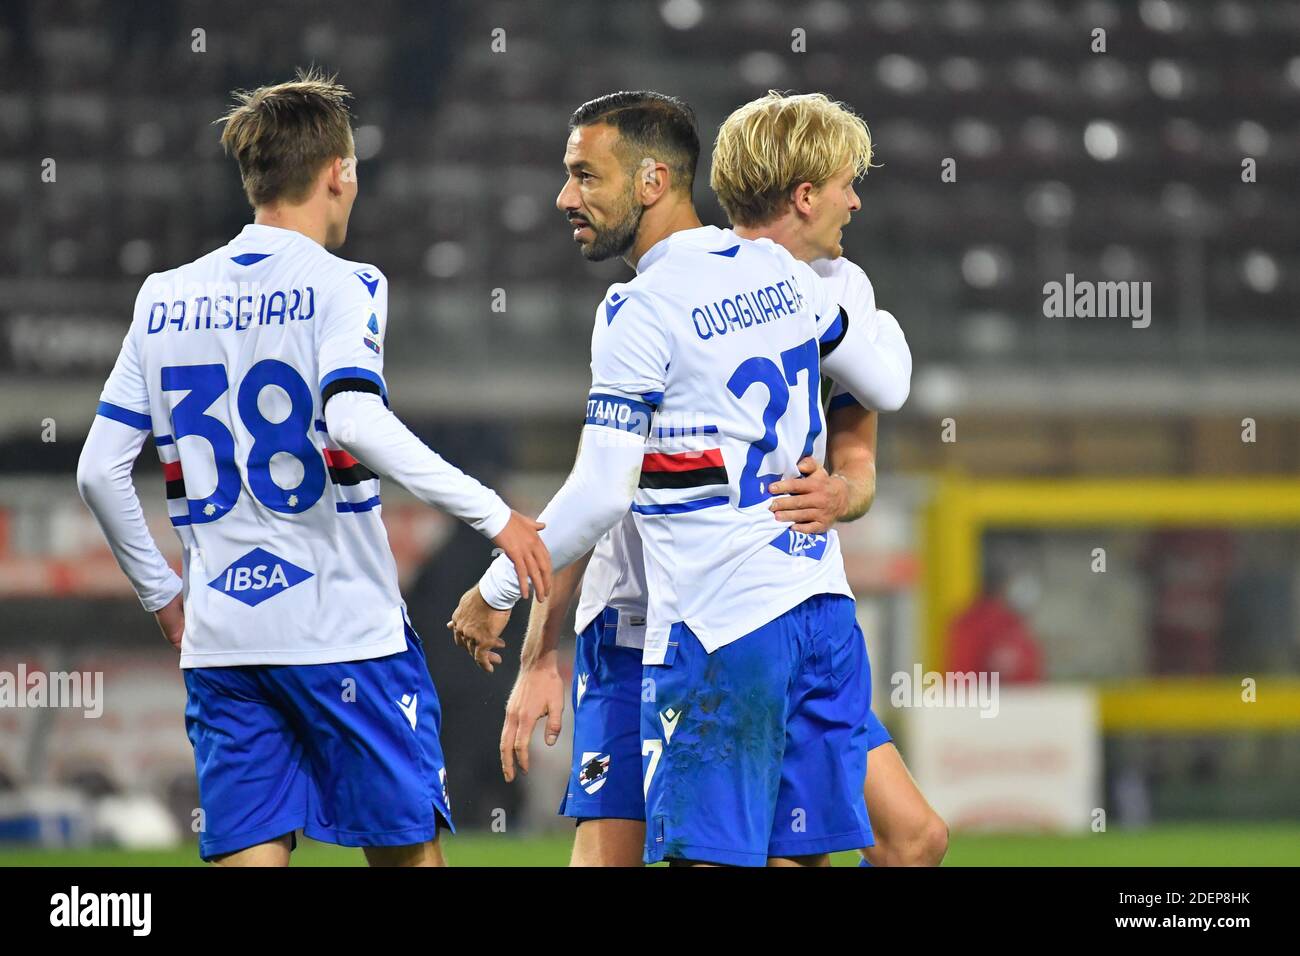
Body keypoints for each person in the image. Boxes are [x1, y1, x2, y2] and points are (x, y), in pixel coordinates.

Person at [75, 69, 550, 867]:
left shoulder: (162, 297)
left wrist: (164, 596)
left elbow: (98, 470)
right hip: (345, 632)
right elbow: (355, 419)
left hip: (226, 640)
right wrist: (494, 514)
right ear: (340, 172)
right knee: (405, 856)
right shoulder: (347, 284)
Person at [451, 90, 907, 866]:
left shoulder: (642, 309)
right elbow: (887, 382)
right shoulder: (784, 274)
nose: (566, 198)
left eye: (585, 177)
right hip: (811, 617)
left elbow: (599, 497)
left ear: (653, 181)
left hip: (714, 626)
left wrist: (494, 589)